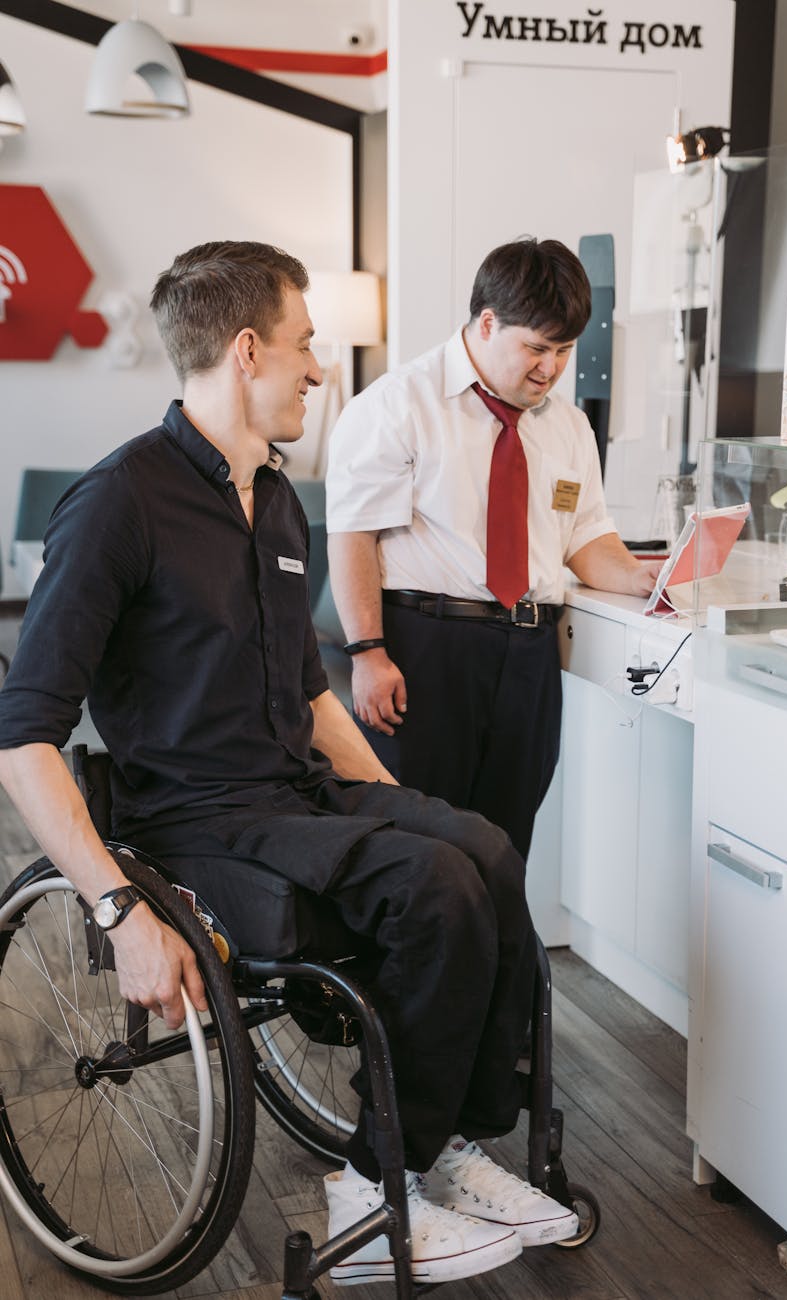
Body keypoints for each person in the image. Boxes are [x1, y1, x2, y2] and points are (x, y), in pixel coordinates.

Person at [0, 241, 580, 1288]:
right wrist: (119, 910)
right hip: (193, 820)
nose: (320, 369)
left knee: (479, 846)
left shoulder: (274, 497)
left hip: (294, 792)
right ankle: (370, 1182)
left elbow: (312, 696)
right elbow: (24, 734)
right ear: (246, 349)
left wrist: (399, 802)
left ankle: (447, 1146)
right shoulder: (119, 504)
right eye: (307, 346)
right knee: (435, 884)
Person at [326, 237, 664, 861]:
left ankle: (494, 963)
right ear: (487, 322)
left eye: (564, 350)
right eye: (536, 348)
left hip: (530, 654)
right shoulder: (399, 405)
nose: (552, 368)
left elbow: (587, 537)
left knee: (508, 845)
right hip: (427, 652)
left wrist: (649, 579)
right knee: (420, 848)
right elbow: (353, 536)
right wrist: (367, 653)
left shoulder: (566, 425)